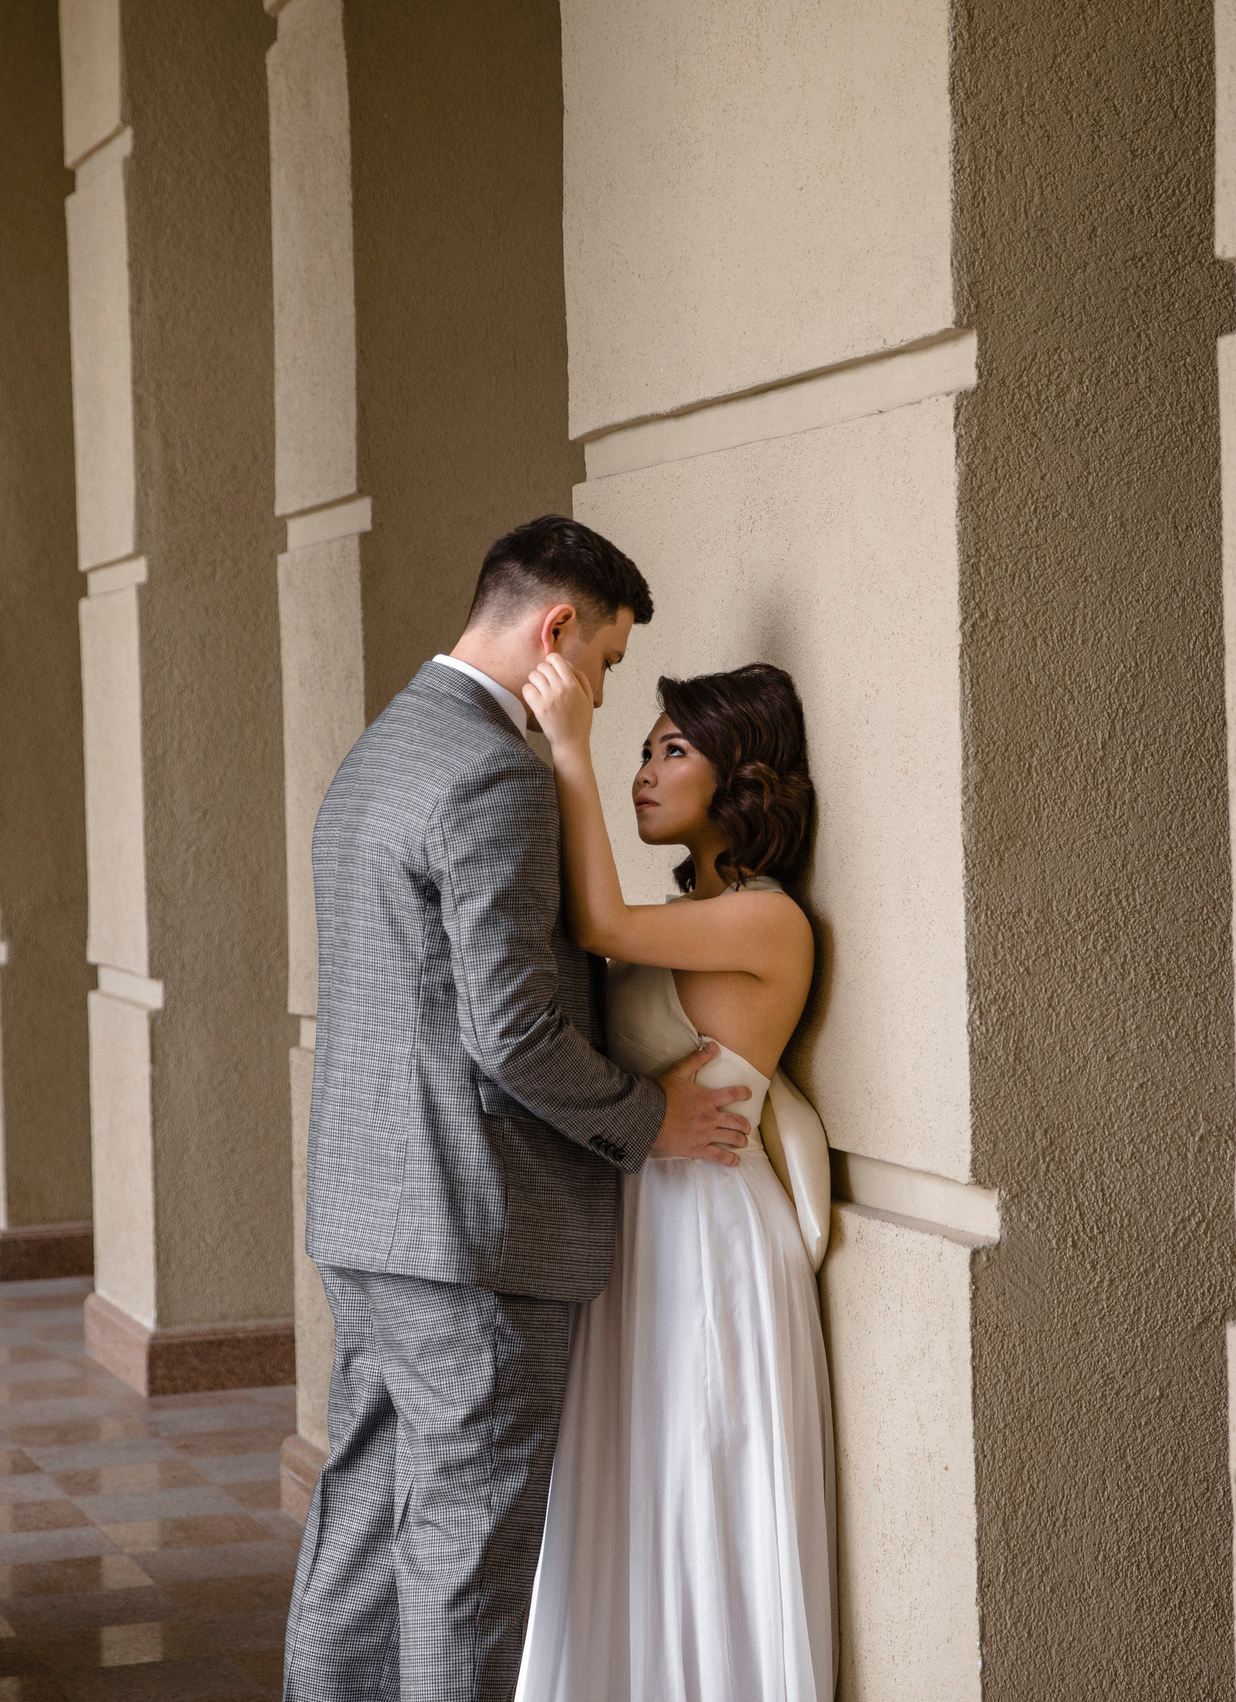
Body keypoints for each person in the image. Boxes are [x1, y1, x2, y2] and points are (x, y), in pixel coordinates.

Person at [281, 515, 756, 1702]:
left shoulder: (385, 746)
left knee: (358, 1533)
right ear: (555, 631)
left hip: (369, 1216)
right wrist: (650, 1119)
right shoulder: (494, 769)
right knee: (465, 1565)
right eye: (605, 660)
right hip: (476, 1236)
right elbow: (514, 1031)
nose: (599, 687)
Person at [511, 655, 838, 1702]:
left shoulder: (767, 919)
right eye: (645, 750)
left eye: (671, 750)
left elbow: (594, 924)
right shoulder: (691, 911)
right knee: (632, 1489)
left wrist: (567, 744)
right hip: (640, 1220)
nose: (645, 772)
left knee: (704, 1479)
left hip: (709, 1236)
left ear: (738, 776)